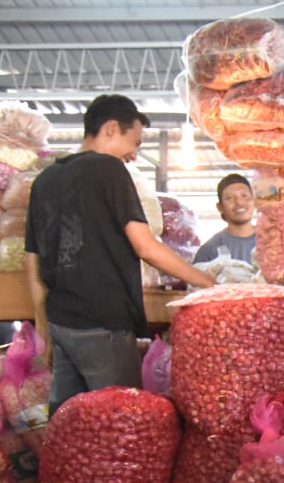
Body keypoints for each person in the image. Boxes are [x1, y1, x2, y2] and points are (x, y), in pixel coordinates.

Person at [25, 94, 217, 412]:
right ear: (112, 128)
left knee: (68, 425)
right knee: (121, 423)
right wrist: (208, 284)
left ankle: (64, 465)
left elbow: (32, 264)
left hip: (61, 323)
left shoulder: (45, 180)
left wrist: (43, 325)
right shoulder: (108, 169)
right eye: (135, 143)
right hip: (102, 323)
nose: (134, 155)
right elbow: (145, 247)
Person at [192, 173, 256, 265]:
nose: (239, 202)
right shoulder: (209, 250)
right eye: (229, 198)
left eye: (244, 195)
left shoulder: (273, 241)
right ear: (220, 207)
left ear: (254, 200)